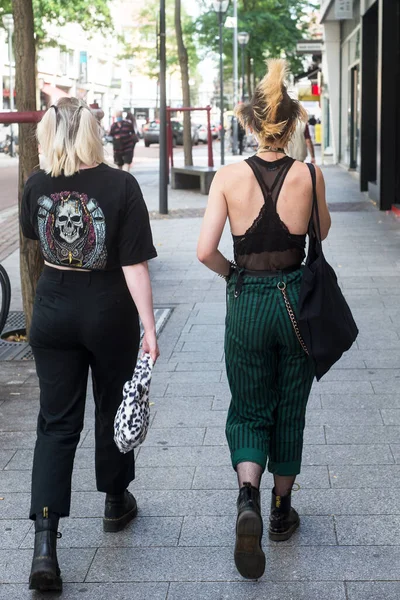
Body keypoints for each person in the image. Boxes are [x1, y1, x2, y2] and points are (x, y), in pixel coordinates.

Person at [197, 59, 331, 580]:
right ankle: (280, 513)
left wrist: (234, 276)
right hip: (295, 298)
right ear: (293, 123)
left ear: (251, 124)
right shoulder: (308, 175)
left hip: (248, 301)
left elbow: (205, 251)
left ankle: (247, 496)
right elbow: (321, 232)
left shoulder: (228, 177)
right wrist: (312, 170)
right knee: (289, 404)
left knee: (250, 403)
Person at [20, 97, 159, 592]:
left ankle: (44, 546)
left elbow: (36, 243)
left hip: (54, 308)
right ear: (94, 134)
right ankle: (116, 501)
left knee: (56, 425)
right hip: (108, 309)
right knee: (112, 405)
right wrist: (149, 325)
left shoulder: (35, 185)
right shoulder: (121, 185)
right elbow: (134, 264)